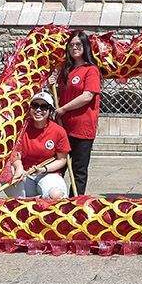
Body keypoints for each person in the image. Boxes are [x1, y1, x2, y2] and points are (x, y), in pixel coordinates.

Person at [55, 30, 101, 195]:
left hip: (82, 128)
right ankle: (54, 197)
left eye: (78, 44)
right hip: (63, 128)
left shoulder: (91, 70)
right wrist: (51, 85)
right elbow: (59, 95)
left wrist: (64, 109)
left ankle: (75, 203)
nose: (74, 47)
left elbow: (87, 96)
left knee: (78, 170)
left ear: (85, 46)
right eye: (71, 45)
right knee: (59, 166)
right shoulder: (65, 70)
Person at [6, 91, 70, 200]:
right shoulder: (22, 128)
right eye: (35, 106)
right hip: (25, 173)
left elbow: (62, 160)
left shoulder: (58, 131)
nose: (38, 110)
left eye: (44, 107)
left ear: (50, 111)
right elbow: (15, 154)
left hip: (48, 173)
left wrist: (44, 169)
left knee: (56, 195)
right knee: (7, 174)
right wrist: (19, 168)